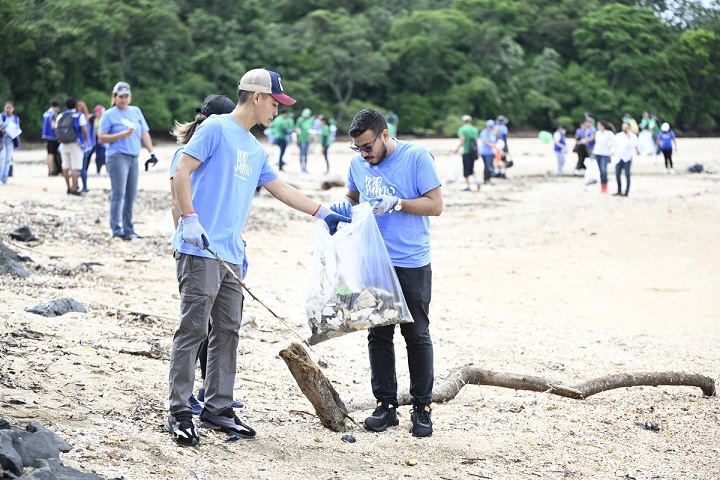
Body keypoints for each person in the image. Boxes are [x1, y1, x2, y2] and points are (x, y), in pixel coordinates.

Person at [166, 68, 350, 447]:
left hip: (232, 254)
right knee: (193, 330)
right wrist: (188, 219)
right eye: (275, 103)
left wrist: (322, 212)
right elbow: (181, 169)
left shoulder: (253, 147)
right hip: (200, 248)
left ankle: (219, 407)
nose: (277, 112)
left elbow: (280, 187)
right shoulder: (216, 128)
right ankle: (181, 410)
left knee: (228, 331)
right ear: (256, 97)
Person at [330, 108, 443, 438]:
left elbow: (435, 205)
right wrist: (341, 207)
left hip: (410, 260)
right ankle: (385, 406)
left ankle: (422, 407)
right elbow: (352, 196)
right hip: (372, 259)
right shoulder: (358, 163)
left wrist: (398, 203)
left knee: (416, 334)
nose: (364, 154)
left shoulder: (417, 157)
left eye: (368, 146)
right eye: (358, 149)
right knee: (378, 334)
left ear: (384, 135)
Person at [169, 93, 247, 416]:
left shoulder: (225, 147)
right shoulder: (188, 152)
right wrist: (185, 236)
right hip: (196, 248)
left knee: (221, 327)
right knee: (197, 327)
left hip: (224, 251)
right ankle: (183, 401)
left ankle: (212, 394)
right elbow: (177, 201)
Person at [99, 81, 157, 241]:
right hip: (117, 156)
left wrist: (151, 152)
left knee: (131, 194)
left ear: (129, 97)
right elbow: (102, 137)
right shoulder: (109, 114)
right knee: (119, 194)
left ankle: (129, 229)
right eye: (120, 97)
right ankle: (116, 229)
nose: (123, 100)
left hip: (133, 157)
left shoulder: (135, 111)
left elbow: (144, 132)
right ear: (115, 97)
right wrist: (121, 135)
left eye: (126, 96)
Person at [56, 98, 89, 195]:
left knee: (65, 166)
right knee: (75, 166)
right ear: (75, 105)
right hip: (75, 143)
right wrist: (86, 140)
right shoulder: (79, 115)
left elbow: (57, 130)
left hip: (63, 143)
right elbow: (83, 129)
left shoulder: (60, 116)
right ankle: (74, 188)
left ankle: (68, 187)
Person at [453, 114, 480, 191]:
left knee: (466, 168)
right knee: (471, 167)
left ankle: (468, 185)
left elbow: (462, 140)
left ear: (463, 121)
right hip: (474, 151)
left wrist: (456, 149)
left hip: (466, 151)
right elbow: (476, 140)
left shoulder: (462, 129)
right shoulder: (474, 129)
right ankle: (477, 181)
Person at [613, 120, 638, 196]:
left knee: (627, 174)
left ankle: (626, 191)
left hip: (627, 157)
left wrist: (628, 137)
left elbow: (633, 145)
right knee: (617, 174)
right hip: (619, 157)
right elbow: (615, 145)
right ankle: (619, 190)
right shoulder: (618, 136)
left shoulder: (632, 136)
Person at [0, 101, 21, 184]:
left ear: (13, 109)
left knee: (8, 160)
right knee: (2, 159)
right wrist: (3, 127)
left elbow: (16, 130)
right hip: (2, 140)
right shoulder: (1, 116)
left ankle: (5, 178)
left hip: (10, 141)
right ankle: (0, 177)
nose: (8, 109)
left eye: (10, 108)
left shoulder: (16, 118)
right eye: (7, 107)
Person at [593, 121, 615, 193]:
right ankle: (602, 186)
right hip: (597, 153)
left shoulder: (609, 133)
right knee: (600, 171)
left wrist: (611, 150)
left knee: (603, 170)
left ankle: (605, 186)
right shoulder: (598, 133)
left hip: (605, 154)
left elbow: (613, 142)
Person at [42, 99, 62, 176]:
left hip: (46, 135)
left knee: (49, 153)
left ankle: (50, 170)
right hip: (53, 136)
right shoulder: (53, 114)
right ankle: (52, 171)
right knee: (52, 154)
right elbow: (53, 125)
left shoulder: (46, 113)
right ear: (56, 107)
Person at [76, 101, 92, 192]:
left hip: (82, 144)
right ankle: (84, 186)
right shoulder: (89, 118)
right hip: (89, 145)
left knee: (79, 167)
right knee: (83, 168)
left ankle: (78, 185)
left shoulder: (77, 117)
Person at [90, 105, 107, 175]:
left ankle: (107, 170)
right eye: (98, 112)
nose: (99, 114)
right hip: (96, 139)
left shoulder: (104, 119)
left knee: (103, 155)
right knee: (97, 156)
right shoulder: (93, 119)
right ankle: (98, 170)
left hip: (103, 138)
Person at [479, 119, 497, 184]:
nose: (490, 127)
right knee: (487, 166)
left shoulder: (492, 132)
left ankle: (488, 178)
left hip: (491, 152)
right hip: (485, 152)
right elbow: (485, 141)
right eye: (489, 126)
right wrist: (492, 146)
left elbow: (494, 141)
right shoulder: (484, 132)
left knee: (490, 165)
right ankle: (486, 179)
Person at [295, 108, 313, 173]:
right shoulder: (299, 120)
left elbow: (311, 130)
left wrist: (311, 138)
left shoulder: (310, 120)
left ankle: (305, 167)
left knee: (306, 154)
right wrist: (297, 139)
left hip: (307, 139)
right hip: (301, 139)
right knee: (301, 153)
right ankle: (301, 167)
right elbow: (297, 130)